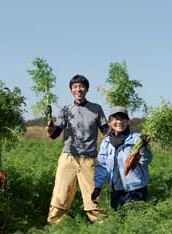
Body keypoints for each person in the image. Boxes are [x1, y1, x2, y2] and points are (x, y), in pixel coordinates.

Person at [46, 74, 109, 224]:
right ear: (71, 90)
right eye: (75, 87)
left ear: (86, 89)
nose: (78, 89)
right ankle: (54, 226)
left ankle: (104, 227)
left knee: (94, 197)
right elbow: (55, 134)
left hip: (89, 159)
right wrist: (50, 128)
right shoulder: (66, 110)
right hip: (68, 157)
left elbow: (105, 130)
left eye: (81, 86)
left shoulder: (96, 109)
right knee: (60, 196)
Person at [91, 106, 153, 210]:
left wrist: (143, 147)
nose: (119, 121)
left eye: (123, 118)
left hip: (135, 188)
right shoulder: (106, 143)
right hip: (116, 190)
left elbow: (145, 160)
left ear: (128, 121)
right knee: (119, 221)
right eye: (116, 118)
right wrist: (98, 185)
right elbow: (102, 166)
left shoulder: (137, 139)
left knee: (134, 220)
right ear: (110, 122)